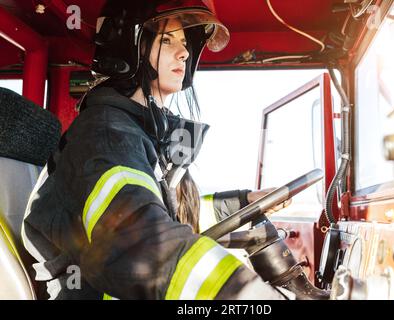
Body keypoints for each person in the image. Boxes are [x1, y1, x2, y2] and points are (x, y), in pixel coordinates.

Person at [22, 0, 290, 300]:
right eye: (166, 40)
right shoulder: (106, 133)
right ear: (130, 47)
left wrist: (244, 202)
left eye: (186, 43)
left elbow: (160, 212)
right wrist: (253, 297)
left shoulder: (143, 132)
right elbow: (138, 243)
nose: (185, 52)